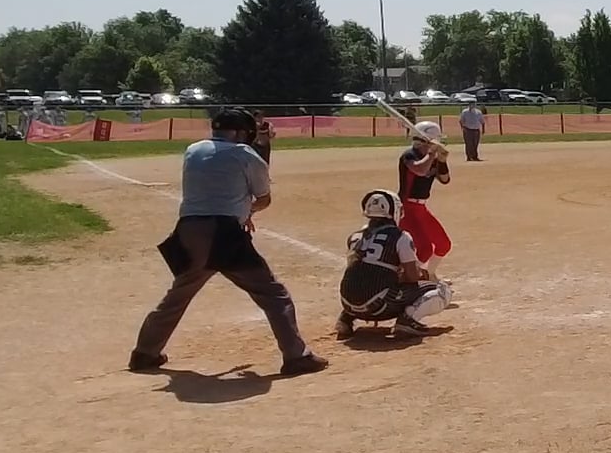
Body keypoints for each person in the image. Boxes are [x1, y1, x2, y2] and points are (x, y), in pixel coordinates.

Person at [129, 108, 327, 376]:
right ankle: (296, 356)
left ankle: (144, 352)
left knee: (178, 294)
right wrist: (248, 209)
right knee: (273, 294)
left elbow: (219, 183)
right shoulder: (245, 154)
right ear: (239, 133)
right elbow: (263, 198)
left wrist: (242, 203)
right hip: (224, 233)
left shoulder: (193, 150)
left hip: (188, 230)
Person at [336, 190, 452, 339]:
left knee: (361, 280)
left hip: (348, 303)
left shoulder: (355, 236)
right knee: (441, 290)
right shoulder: (400, 236)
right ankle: (408, 320)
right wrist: (415, 274)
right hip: (380, 306)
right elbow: (412, 277)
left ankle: (346, 319)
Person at [397, 120, 453, 279]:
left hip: (421, 208)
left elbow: (445, 179)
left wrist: (442, 160)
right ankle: (406, 279)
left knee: (443, 244)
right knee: (424, 249)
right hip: (406, 208)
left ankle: (429, 274)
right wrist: (432, 153)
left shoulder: (431, 158)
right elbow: (420, 170)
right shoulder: (409, 155)